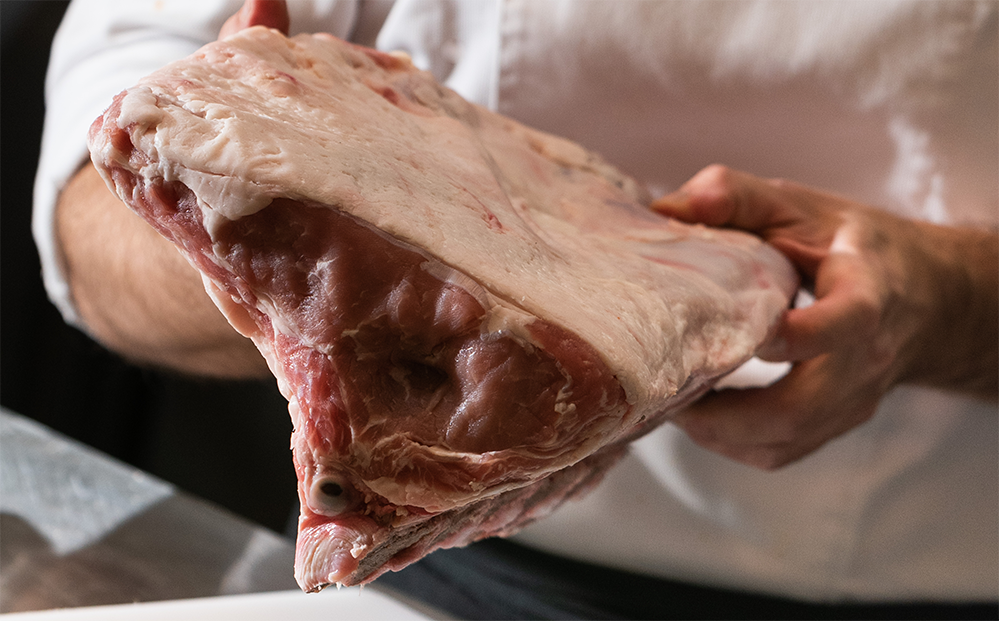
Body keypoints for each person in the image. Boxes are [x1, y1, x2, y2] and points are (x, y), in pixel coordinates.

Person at [34, 0, 999, 618]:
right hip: (456, 579)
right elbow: (90, 200)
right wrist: (282, 232)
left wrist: (954, 302)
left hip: (939, 573)